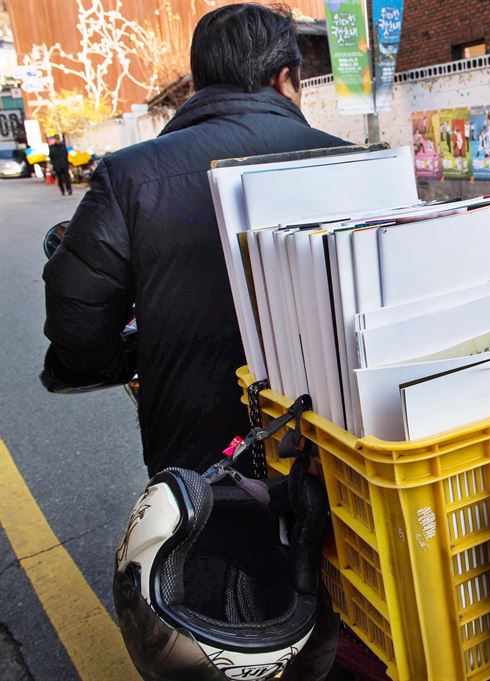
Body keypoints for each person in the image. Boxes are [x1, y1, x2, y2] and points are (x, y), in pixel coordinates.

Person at [43, 3, 346, 476]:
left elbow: (77, 326)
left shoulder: (129, 174)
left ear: (199, 81)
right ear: (286, 78)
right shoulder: (356, 164)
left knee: (206, 544)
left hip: (199, 457)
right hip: (338, 454)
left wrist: (122, 358)